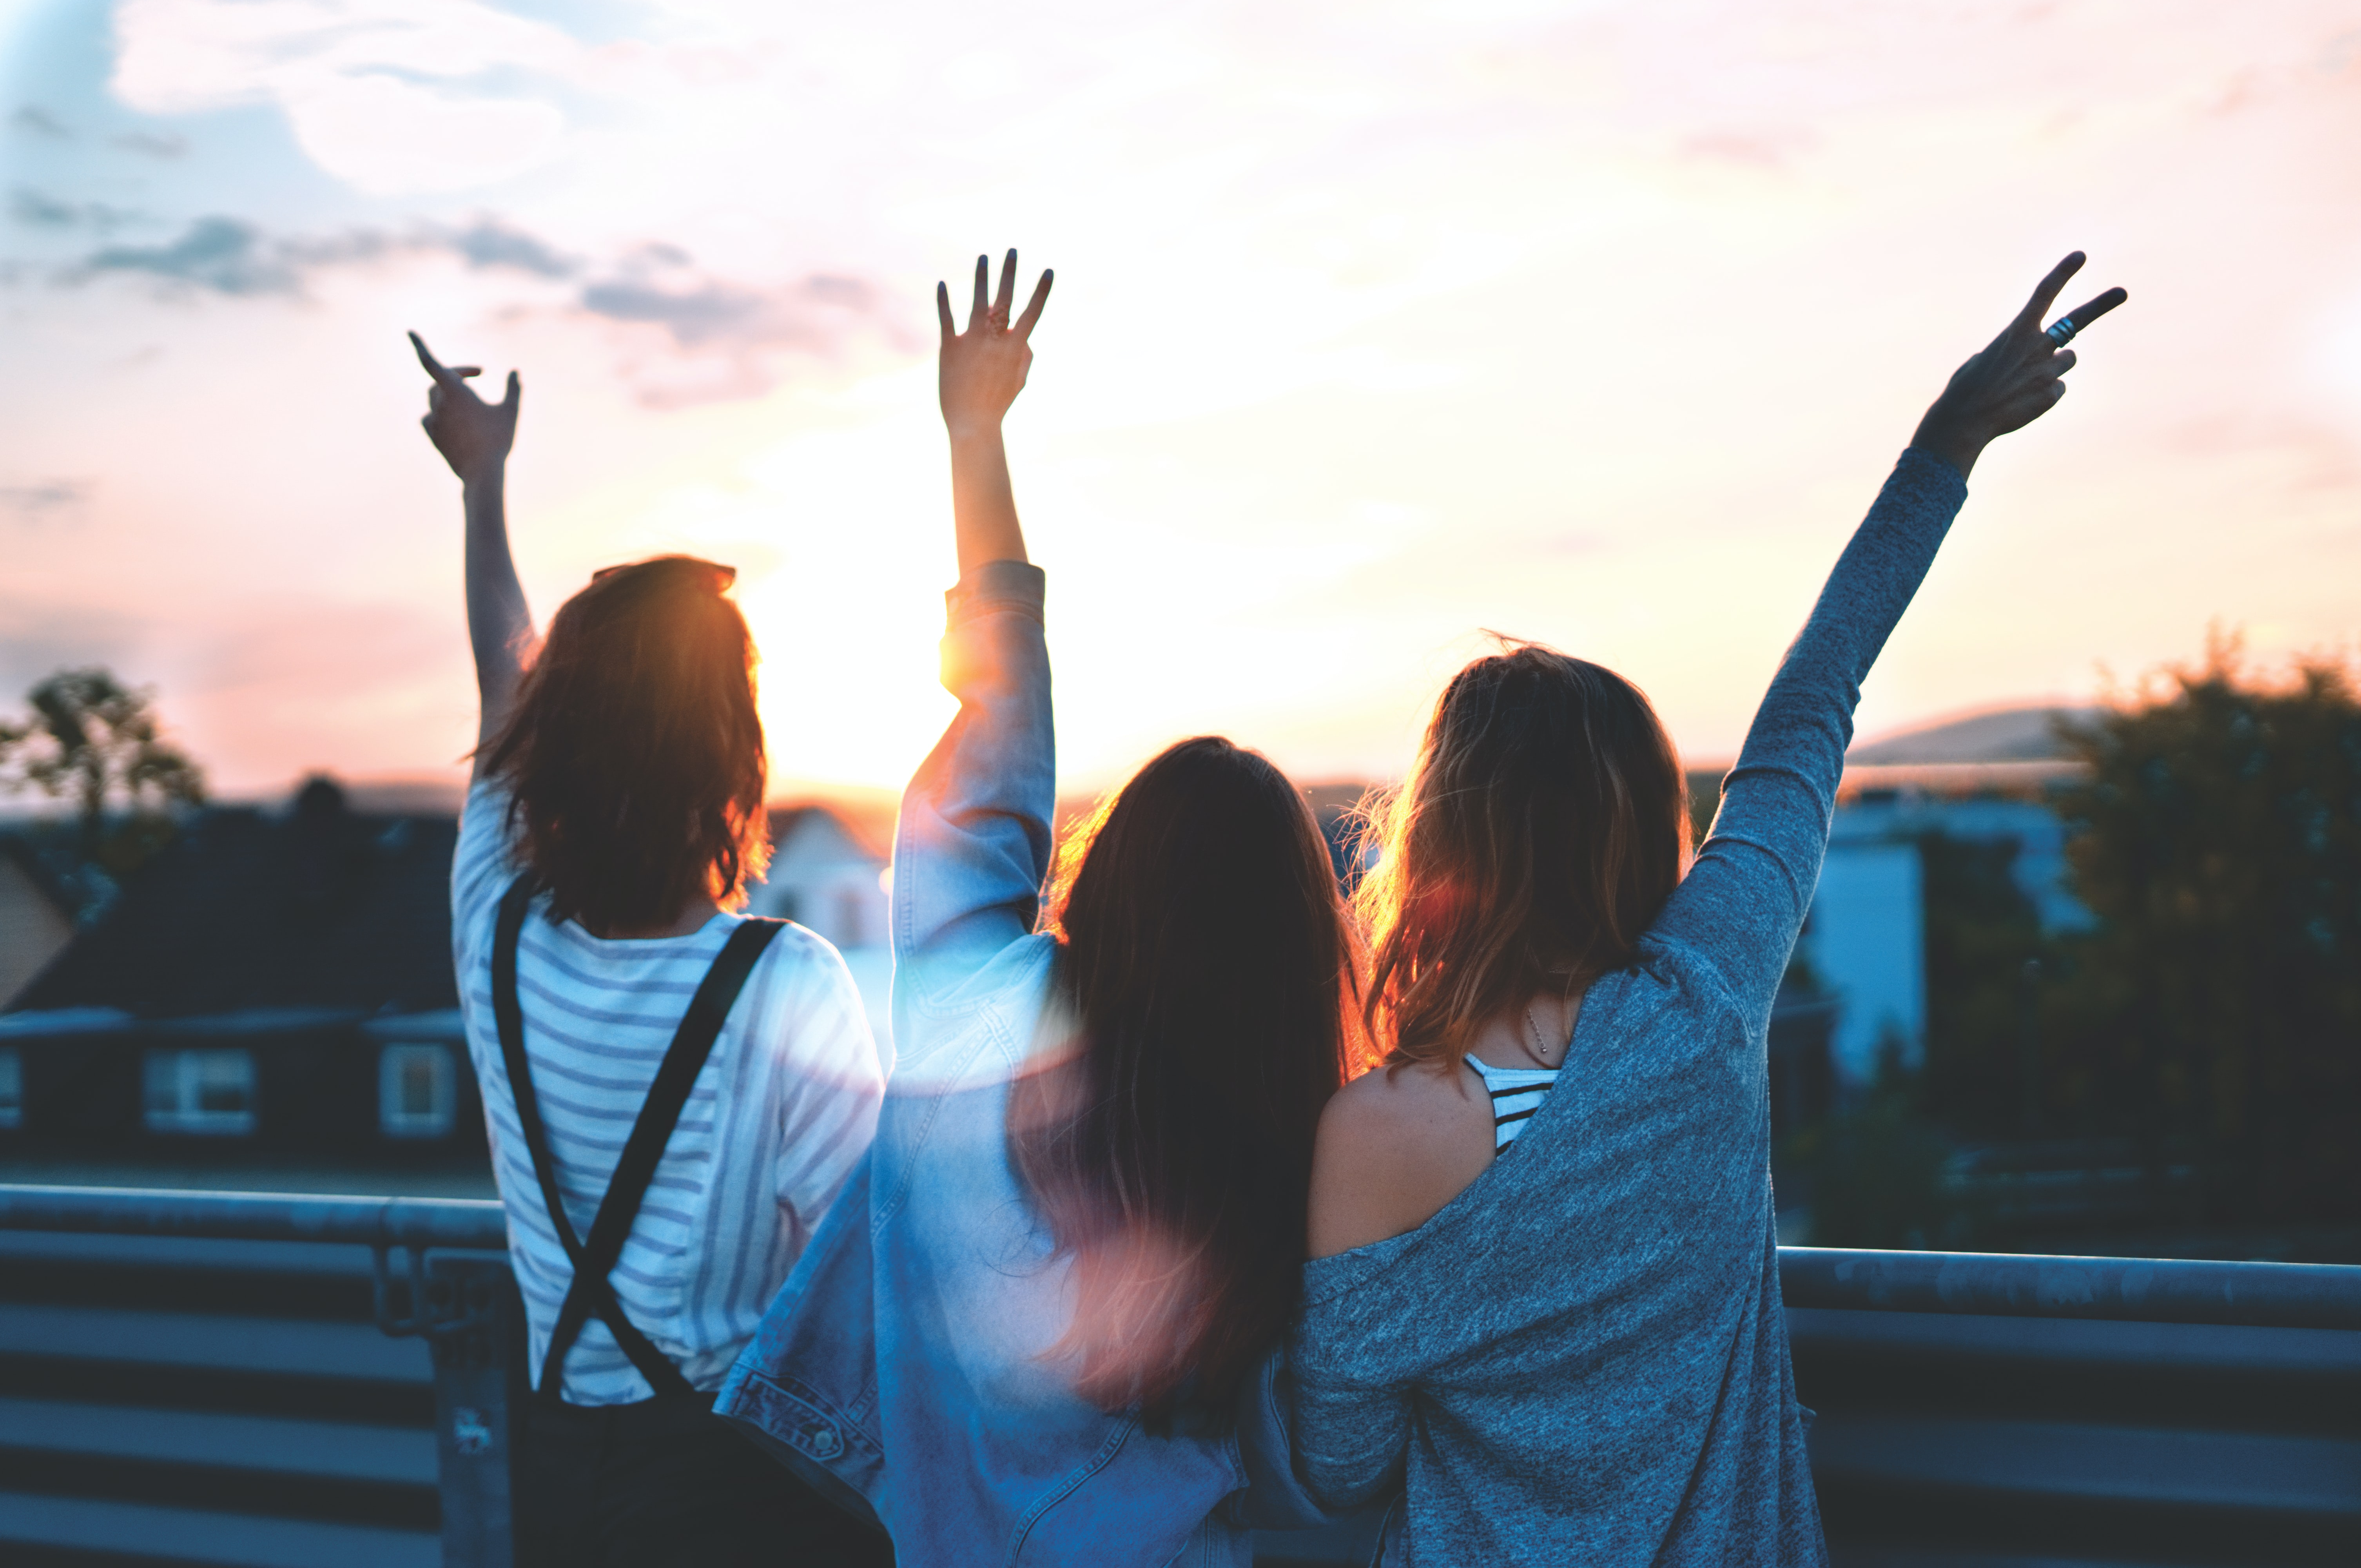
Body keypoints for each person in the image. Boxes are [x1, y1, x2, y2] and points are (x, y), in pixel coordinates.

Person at [1289, 255, 2128, 1564]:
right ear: (1636, 828)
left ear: (1442, 837)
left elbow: (1343, 1472)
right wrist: (1946, 443)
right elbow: (1812, 707)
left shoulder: (1372, 1131)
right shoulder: (1703, 1000)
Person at [718, 253, 1364, 1565]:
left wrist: (974, 435)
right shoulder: (1291, 1142)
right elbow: (1319, 1466)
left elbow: (998, 741)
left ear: (1111, 875)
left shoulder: (977, 1016)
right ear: (1292, 943)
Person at [412, 332, 892, 1568]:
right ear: (733, 760)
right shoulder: (786, 985)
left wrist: (482, 485)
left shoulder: (494, 925)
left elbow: (501, 690)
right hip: (739, 1496)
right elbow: (864, 1276)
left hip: (552, 1479)